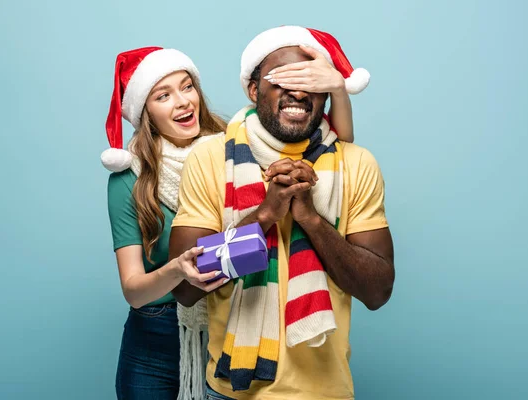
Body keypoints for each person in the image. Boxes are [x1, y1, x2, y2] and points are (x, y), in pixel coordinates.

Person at [102, 44, 359, 399]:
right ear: (144, 110)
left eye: (187, 86)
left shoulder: (235, 143)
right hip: (157, 335)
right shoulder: (130, 176)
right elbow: (133, 290)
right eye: (164, 95)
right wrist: (178, 269)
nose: (182, 102)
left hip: (232, 321)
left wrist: (337, 91)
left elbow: (336, 152)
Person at [168, 26, 395, 400]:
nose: (298, 91)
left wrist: (310, 217)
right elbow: (183, 287)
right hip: (231, 392)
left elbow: (377, 291)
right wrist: (264, 215)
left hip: (325, 391)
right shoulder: (210, 159)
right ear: (254, 90)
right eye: (283, 78)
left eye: (310, 79)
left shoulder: (357, 164)